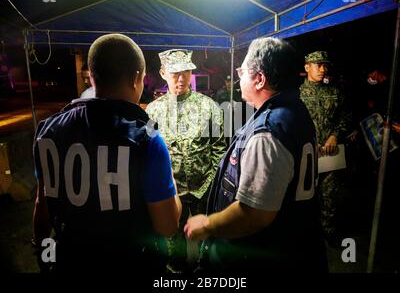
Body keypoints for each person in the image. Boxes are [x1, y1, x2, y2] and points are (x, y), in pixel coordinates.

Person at [32, 34, 182, 273]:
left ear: (92, 76)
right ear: (135, 79)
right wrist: (171, 181)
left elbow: (43, 205)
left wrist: (42, 251)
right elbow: (167, 226)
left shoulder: (48, 130)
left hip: (70, 262)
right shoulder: (147, 139)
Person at [184, 37, 327, 273]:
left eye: (242, 70)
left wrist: (208, 224)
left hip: (267, 258)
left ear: (259, 79)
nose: (239, 77)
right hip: (297, 244)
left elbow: (253, 214)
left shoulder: (268, 132)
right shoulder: (293, 110)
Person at [146, 49, 226, 273]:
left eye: (185, 72)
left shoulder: (208, 106)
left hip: (204, 186)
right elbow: (149, 152)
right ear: (163, 73)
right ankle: (176, 272)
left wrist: (212, 182)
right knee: (173, 243)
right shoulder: (153, 111)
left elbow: (219, 146)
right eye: (174, 73)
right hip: (171, 190)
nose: (181, 78)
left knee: (207, 239)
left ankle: (205, 271)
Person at [300, 51, 351, 247]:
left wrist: (334, 135)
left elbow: (345, 116)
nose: (323, 69)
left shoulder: (335, 91)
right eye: (318, 65)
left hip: (330, 155)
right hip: (306, 154)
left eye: (325, 66)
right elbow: (290, 122)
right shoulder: (297, 94)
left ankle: (329, 233)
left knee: (329, 196)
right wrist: (307, 140)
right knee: (304, 196)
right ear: (307, 67)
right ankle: (306, 237)